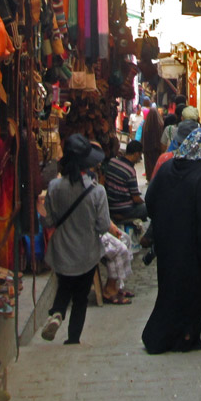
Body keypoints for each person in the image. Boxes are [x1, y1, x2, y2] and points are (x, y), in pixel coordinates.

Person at [141, 129, 201, 354]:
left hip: (168, 245)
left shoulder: (168, 168)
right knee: (194, 295)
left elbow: (150, 200)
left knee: (169, 291)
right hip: (193, 250)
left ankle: (165, 336)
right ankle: (186, 337)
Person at [38, 134, 110, 345]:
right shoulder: (97, 191)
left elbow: (49, 221)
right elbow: (103, 225)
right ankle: (73, 339)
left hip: (62, 250)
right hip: (87, 251)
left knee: (65, 285)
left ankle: (58, 312)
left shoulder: (54, 187)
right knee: (80, 298)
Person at [105, 140, 147, 222]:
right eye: (140, 154)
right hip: (124, 209)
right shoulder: (130, 171)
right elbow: (136, 198)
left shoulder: (112, 161)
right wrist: (143, 202)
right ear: (136, 154)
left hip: (110, 205)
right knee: (148, 208)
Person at [99, 222, 135, 304]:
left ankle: (112, 285)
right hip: (86, 232)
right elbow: (102, 219)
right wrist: (110, 227)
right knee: (118, 248)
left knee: (125, 239)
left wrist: (112, 227)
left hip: (96, 226)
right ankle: (109, 290)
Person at [141, 105, 165, 179]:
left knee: (149, 165)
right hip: (157, 149)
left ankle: (150, 177)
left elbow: (143, 138)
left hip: (147, 149)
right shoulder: (160, 124)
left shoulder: (146, 125)